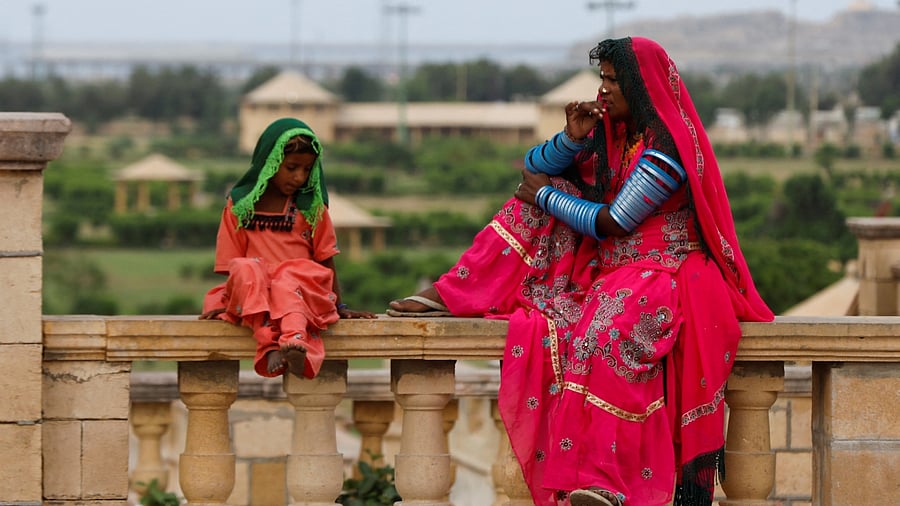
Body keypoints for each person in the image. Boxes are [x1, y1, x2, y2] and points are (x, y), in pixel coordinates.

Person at [388, 37, 774, 506]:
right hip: (613, 266)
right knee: (544, 191)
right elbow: (532, 168)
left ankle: (604, 482)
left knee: (601, 336)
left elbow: (616, 221)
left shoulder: (666, 146)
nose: (604, 90)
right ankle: (454, 291)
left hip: (662, 272)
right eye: (603, 79)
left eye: (613, 80)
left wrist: (545, 196)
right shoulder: (613, 133)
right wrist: (572, 137)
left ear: (640, 85)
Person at [201, 117, 375, 379]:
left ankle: (294, 342)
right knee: (247, 267)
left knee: (288, 277)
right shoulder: (239, 206)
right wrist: (231, 298)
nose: (299, 177)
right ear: (269, 162)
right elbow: (231, 263)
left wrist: (339, 305)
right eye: (292, 167)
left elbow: (326, 258)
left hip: (299, 289)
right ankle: (269, 344)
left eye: (307, 169)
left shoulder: (312, 208)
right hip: (255, 291)